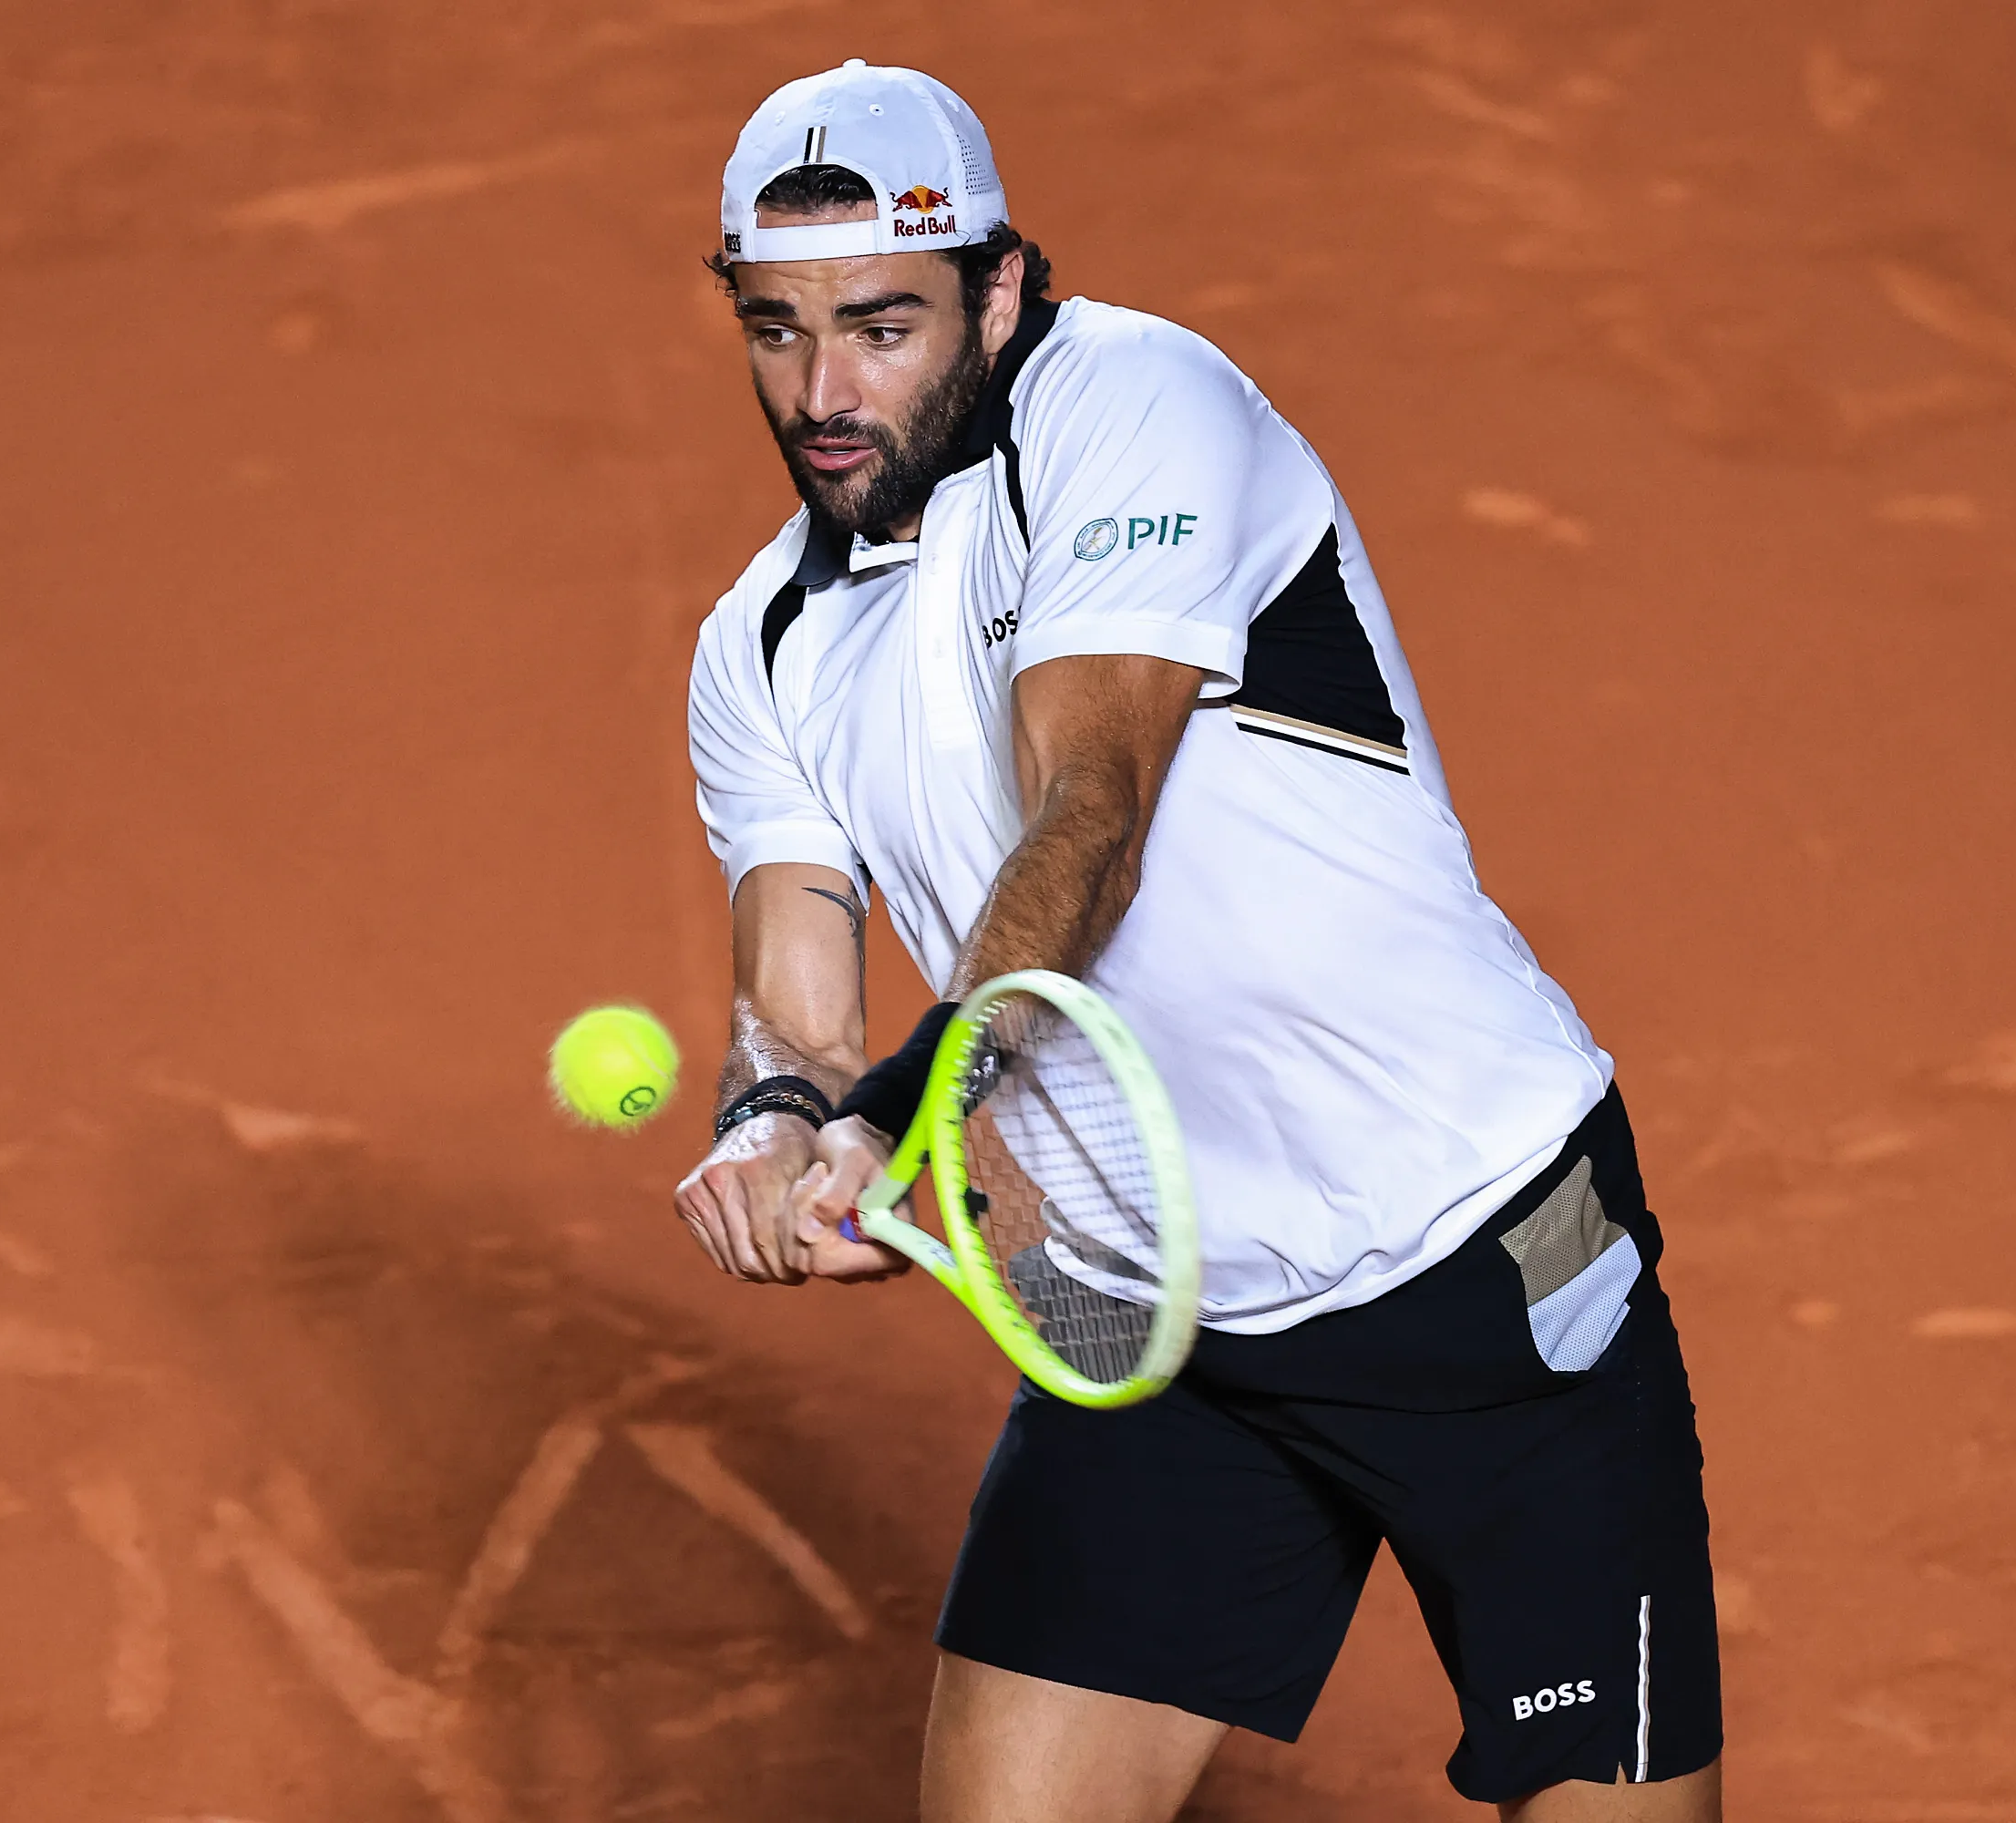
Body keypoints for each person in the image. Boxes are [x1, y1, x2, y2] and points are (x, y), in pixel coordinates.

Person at [671, 59, 1723, 1823]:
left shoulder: (1139, 407)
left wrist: (900, 1118)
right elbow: (795, 999)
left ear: (1000, 295)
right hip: (1154, 1322)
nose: (825, 393)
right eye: (776, 329)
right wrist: (771, 1128)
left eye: (881, 325)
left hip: (1475, 1255)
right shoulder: (757, 652)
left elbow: (1089, 819)